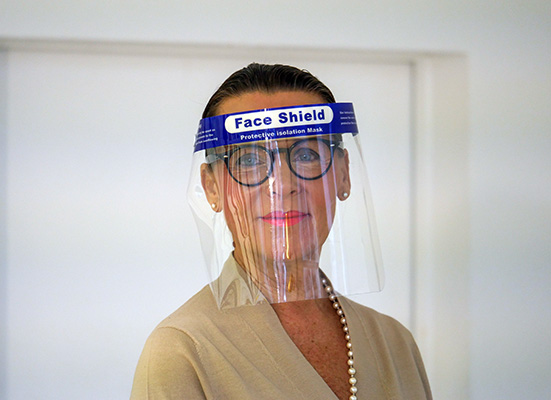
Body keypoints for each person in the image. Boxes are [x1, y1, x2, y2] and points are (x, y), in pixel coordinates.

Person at [131, 63, 432, 399]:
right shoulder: (181, 351)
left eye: (306, 154)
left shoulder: (395, 344)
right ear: (211, 187)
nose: (283, 185)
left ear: (344, 174)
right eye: (249, 160)